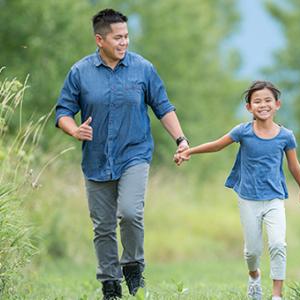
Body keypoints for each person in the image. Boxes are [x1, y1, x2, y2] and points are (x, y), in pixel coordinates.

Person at [55, 8, 189, 300]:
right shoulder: (80, 72)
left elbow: (163, 107)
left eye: (127, 36)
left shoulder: (143, 69)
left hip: (135, 154)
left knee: (130, 212)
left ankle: (133, 265)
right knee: (103, 227)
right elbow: (63, 111)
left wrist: (180, 139)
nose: (124, 42)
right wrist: (74, 130)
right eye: (118, 38)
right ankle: (110, 285)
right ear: (99, 40)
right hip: (96, 158)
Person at [174, 80, 300, 300]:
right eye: (257, 101)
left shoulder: (286, 136)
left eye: (268, 100)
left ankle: (277, 295)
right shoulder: (243, 131)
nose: (263, 105)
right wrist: (190, 152)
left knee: (278, 244)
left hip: (275, 198)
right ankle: (254, 277)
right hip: (248, 199)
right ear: (249, 107)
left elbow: (294, 165)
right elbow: (218, 145)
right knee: (252, 251)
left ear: (277, 104)